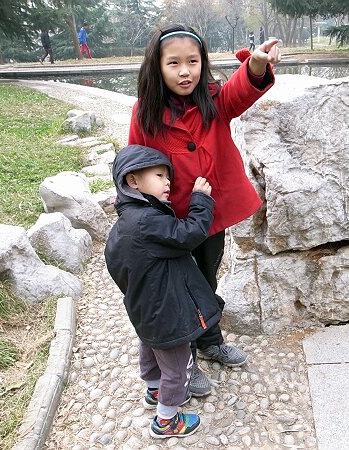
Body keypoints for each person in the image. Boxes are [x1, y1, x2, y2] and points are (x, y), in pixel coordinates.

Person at [128, 24, 281, 396]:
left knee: (207, 277)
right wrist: (141, 211)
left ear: (203, 63)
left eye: (193, 62)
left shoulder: (213, 99)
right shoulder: (145, 112)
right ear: (157, 67)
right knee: (180, 288)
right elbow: (134, 163)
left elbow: (241, 92)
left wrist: (257, 66)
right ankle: (187, 356)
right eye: (174, 63)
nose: (185, 71)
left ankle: (210, 339)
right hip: (171, 221)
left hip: (208, 216)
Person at [104, 144, 222, 438]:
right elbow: (189, 234)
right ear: (133, 181)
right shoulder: (147, 220)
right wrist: (200, 201)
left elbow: (114, 264)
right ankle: (166, 420)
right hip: (168, 314)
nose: (168, 182)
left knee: (151, 350)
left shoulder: (127, 221)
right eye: (159, 175)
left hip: (146, 311)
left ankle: (153, 392)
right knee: (178, 367)